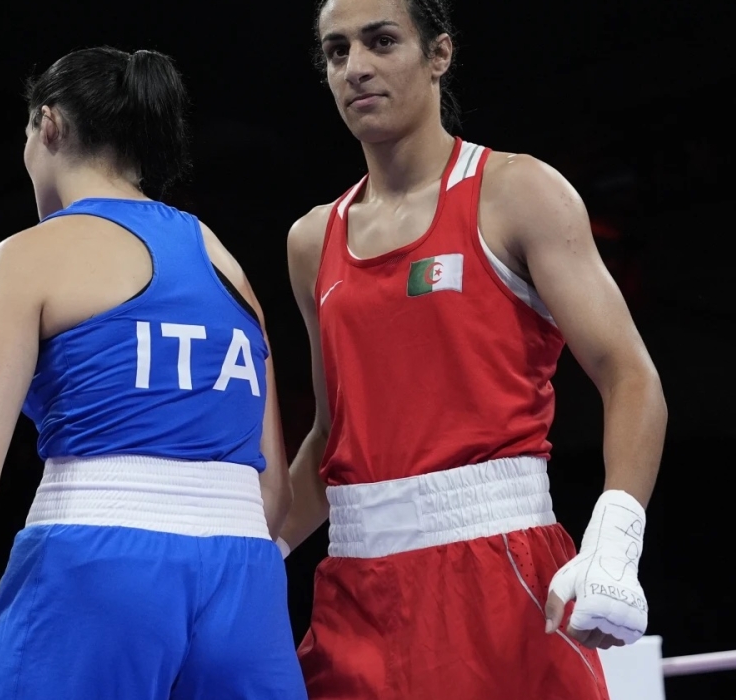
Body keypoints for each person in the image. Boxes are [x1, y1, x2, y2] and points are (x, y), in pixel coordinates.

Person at [0, 46, 306, 700]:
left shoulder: (29, 257)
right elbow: (274, 494)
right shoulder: (228, 264)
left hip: (95, 570)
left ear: (48, 124)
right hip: (246, 584)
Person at [277, 1, 668, 698]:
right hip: (356, 594)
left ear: (439, 54)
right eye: (337, 51)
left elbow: (629, 376)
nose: (356, 67)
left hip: (499, 574)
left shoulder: (517, 193)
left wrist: (616, 540)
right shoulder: (312, 240)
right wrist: (250, 555)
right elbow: (333, 435)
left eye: (381, 41)